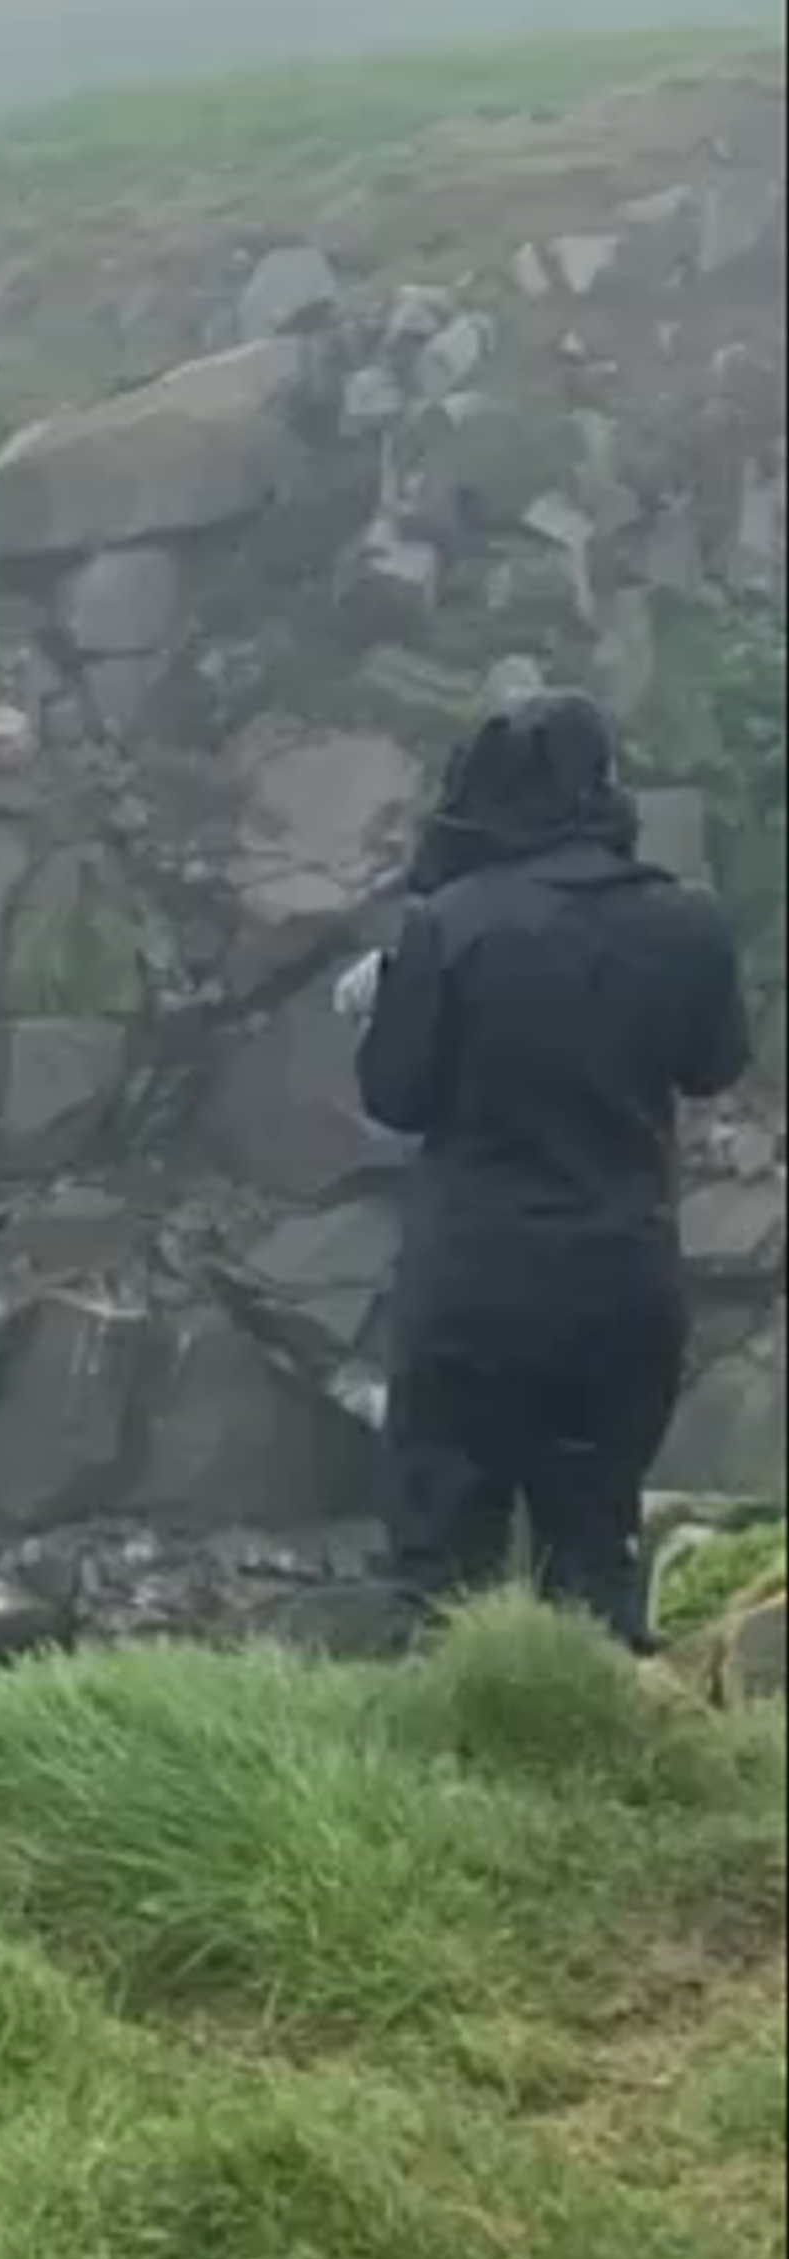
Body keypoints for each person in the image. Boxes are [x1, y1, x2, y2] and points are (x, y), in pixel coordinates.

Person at [350, 690, 750, 1641]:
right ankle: (597, 1763)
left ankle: (438, 1776)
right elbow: (713, 1064)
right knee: (592, 1552)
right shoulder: (687, 923)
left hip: (476, 1287)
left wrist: (386, 1002)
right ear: (602, 786)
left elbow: (395, 1097)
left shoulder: (445, 925)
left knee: (443, 1571)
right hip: (620, 1282)